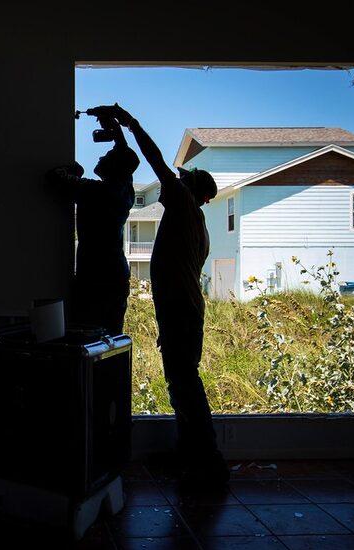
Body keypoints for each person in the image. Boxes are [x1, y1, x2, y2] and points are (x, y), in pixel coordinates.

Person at [115, 105, 229, 487]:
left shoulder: (182, 204)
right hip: (182, 311)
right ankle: (191, 452)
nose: (170, 183)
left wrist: (130, 123)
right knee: (181, 382)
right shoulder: (193, 220)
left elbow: (155, 158)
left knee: (184, 383)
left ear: (190, 189)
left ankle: (208, 458)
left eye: (181, 180)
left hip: (182, 311)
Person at [45, 105, 140, 337]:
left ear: (114, 168)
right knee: (111, 336)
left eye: (106, 157)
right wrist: (116, 129)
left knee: (89, 335)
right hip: (115, 274)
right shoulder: (124, 190)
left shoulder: (96, 193)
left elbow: (54, 177)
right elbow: (124, 154)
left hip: (96, 277)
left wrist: (73, 171)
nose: (100, 155)